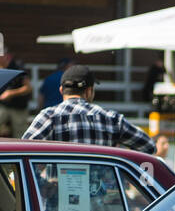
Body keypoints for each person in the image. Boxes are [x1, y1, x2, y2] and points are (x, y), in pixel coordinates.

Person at [22, 64, 156, 153]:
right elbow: (149, 146)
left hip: (57, 194)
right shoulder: (111, 119)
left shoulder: (48, 116)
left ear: (61, 90)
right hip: (103, 195)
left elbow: (22, 150)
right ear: (89, 91)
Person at [0, 45, 33, 137]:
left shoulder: (18, 67)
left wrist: (11, 93)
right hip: (3, 106)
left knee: (20, 136)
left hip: (19, 107)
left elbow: (28, 88)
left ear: (3, 56)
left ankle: (19, 151)